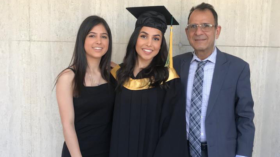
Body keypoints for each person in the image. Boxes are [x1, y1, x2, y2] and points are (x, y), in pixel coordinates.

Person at [173, 3, 255, 157]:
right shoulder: (176, 64)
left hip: (221, 151)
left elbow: (245, 118)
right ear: (187, 31)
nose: (198, 32)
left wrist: (242, 155)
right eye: (193, 26)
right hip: (181, 150)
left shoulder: (237, 68)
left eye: (206, 25)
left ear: (217, 31)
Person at [109, 6, 188, 157]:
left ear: (161, 44)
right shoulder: (117, 76)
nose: (149, 44)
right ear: (135, 38)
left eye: (156, 38)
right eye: (144, 36)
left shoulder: (169, 81)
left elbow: (172, 132)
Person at [55, 15, 115, 157]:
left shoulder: (114, 72)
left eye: (104, 36)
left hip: (109, 151)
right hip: (79, 152)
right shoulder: (68, 78)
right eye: (92, 36)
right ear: (82, 39)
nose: (99, 41)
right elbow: (67, 125)